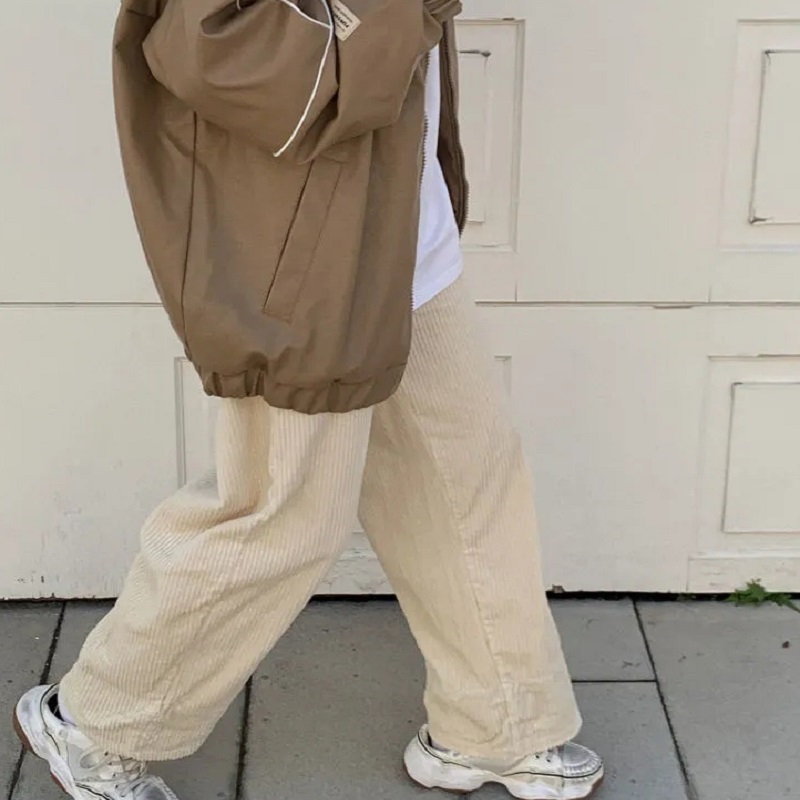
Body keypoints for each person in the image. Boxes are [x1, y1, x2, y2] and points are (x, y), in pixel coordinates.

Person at [14, 1, 604, 798]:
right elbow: (218, 49)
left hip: (398, 231)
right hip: (309, 256)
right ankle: (94, 720)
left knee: (466, 477)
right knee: (283, 511)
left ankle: (494, 727)